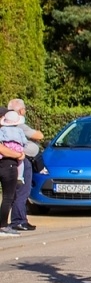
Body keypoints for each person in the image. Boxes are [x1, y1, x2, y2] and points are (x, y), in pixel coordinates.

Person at [5, 99, 44, 231]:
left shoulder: (5, 125)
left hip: (11, 161)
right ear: (21, 111)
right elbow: (39, 136)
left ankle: (14, 220)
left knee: (12, 193)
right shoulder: (18, 125)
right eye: (24, 110)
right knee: (22, 191)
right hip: (22, 160)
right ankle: (19, 220)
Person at [0, 111, 33, 236]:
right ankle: (2, 225)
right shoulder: (18, 131)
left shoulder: (2, 130)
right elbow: (24, 143)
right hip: (10, 165)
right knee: (8, 197)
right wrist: (19, 154)